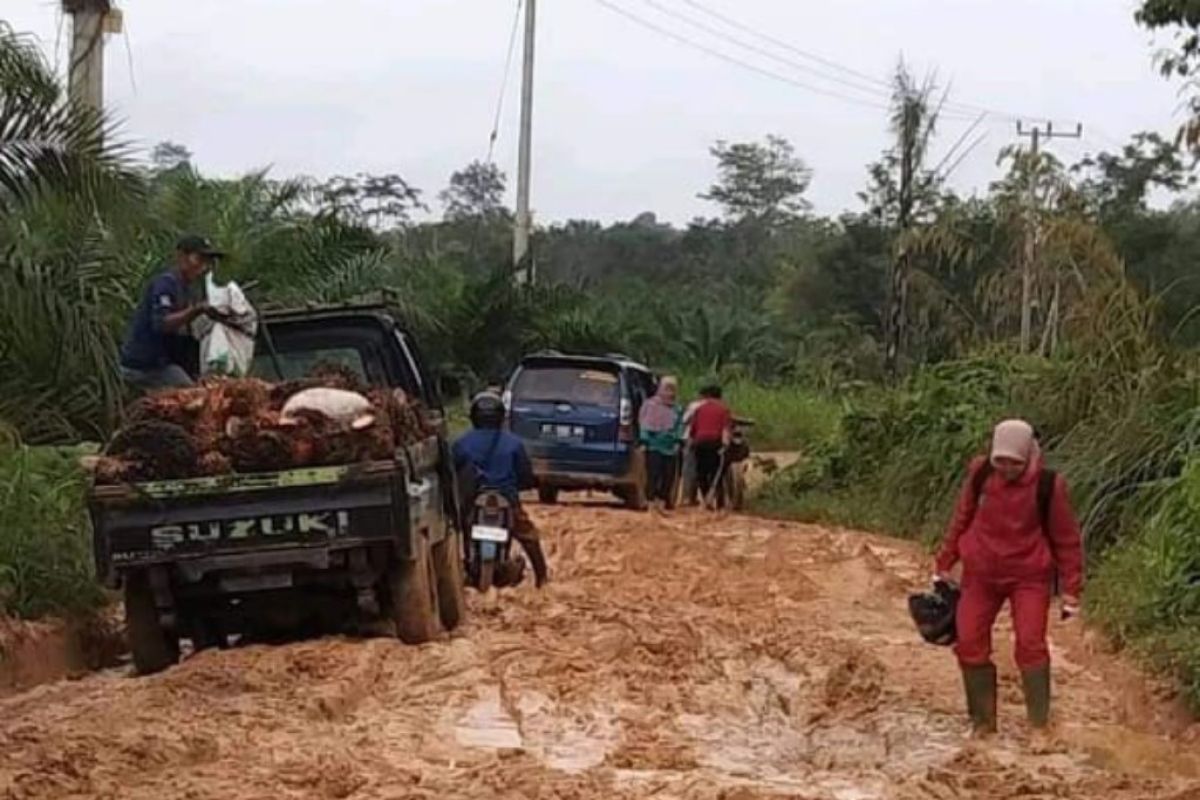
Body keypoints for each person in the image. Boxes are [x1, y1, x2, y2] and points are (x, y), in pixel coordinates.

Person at [934, 419, 1084, 736]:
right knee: (970, 643)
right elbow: (962, 515)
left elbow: (1066, 538)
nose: (1005, 468)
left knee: (1030, 643)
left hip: (1029, 576)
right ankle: (983, 725)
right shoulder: (981, 473)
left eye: (1013, 462)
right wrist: (945, 560)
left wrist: (1071, 590)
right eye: (999, 460)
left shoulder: (1049, 485)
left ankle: (1039, 727)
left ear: (1028, 456)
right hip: (981, 573)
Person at [452, 392, 549, 587]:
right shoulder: (514, 443)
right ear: (501, 417)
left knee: (456, 528)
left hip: (472, 501)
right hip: (508, 499)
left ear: (473, 417)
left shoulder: (461, 444)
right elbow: (525, 475)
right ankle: (542, 578)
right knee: (528, 535)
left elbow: (452, 473)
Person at [119, 234, 227, 390]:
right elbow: (162, 323)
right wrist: (196, 310)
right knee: (194, 397)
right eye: (198, 259)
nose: (202, 266)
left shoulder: (189, 288)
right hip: (145, 366)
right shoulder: (166, 284)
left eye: (206, 262)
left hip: (164, 363)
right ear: (181, 256)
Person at [638, 376, 683, 509]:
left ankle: (663, 500)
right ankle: (650, 500)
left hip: (670, 447)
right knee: (653, 474)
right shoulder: (649, 405)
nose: (670, 393)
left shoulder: (677, 409)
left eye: (673, 389)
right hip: (653, 445)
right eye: (667, 389)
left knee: (668, 476)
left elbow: (680, 426)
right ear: (660, 389)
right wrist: (644, 441)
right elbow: (644, 424)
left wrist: (677, 440)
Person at [688, 383, 733, 509]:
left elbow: (693, 430)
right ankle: (717, 501)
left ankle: (706, 497)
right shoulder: (723, 410)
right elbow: (725, 430)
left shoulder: (699, 409)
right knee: (716, 473)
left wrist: (691, 443)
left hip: (700, 443)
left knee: (701, 472)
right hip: (715, 443)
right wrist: (725, 446)